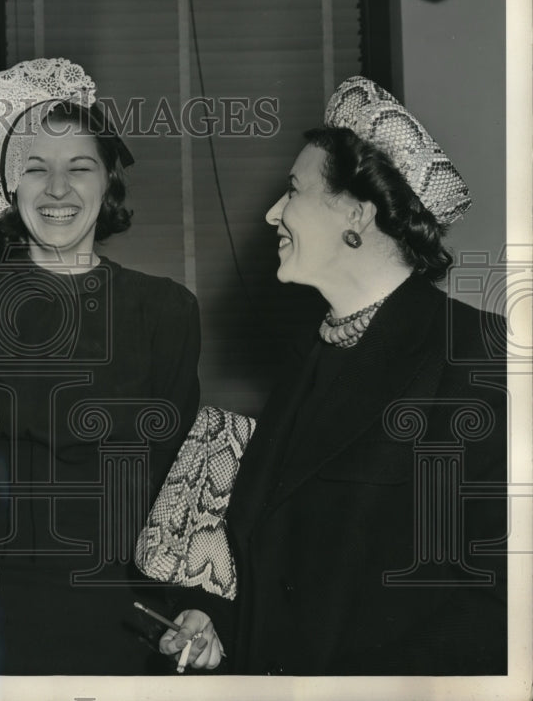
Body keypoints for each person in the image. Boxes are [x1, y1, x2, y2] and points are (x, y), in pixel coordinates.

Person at [158, 77, 507, 675]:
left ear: (356, 214)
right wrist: (222, 622)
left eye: (292, 191)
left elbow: (501, 603)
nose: (272, 213)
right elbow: (288, 562)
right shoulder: (306, 358)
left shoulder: (477, 358)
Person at [0, 58, 201, 674]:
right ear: (9, 188)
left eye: (80, 168)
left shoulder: (165, 309)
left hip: (125, 604)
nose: (58, 190)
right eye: (35, 170)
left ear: (108, 182)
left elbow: (176, 475)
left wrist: (171, 600)